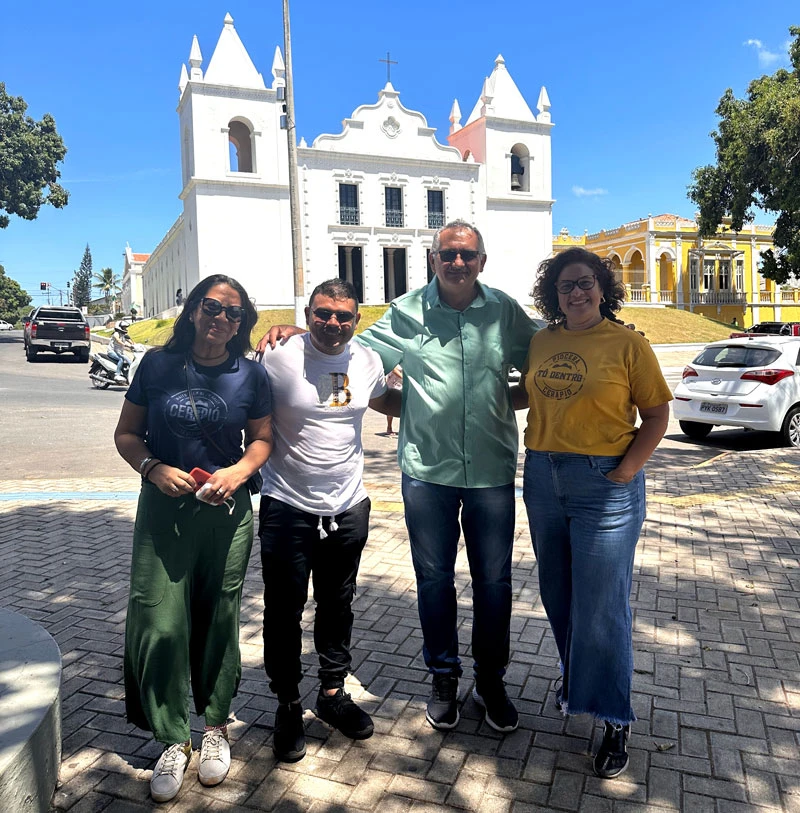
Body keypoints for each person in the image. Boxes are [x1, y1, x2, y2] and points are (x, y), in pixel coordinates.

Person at [259, 220, 537, 733]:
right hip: (427, 472)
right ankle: (444, 680)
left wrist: (511, 398)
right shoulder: (407, 311)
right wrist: (301, 334)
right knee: (434, 581)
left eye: (467, 255)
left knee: (494, 582)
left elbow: (546, 362)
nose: (457, 263)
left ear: (482, 260)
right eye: (447, 255)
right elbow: (344, 356)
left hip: (492, 469)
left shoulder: (505, 312)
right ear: (433, 259)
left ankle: (491, 683)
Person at [114, 274, 273, 803]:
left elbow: (263, 440)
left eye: (233, 313)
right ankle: (171, 737)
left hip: (225, 514)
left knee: (218, 617)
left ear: (242, 324)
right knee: (161, 620)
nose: (221, 319)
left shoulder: (250, 375)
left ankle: (215, 729)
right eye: (212, 307)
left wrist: (238, 473)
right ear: (193, 311)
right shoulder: (156, 366)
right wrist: (152, 467)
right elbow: (126, 433)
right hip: (164, 511)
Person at [520, 247, 671, 779]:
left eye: (585, 283)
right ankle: (576, 678)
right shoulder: (542, 340)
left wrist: (626, 473)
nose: (576, 293)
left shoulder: (628, 343)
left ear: (602, 287)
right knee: (558, 593)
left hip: (604, 483)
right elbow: (533, 393)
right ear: (553, 295)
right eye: (565, 287)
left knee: (602, 603)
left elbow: (656, 414)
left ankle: (613, 716)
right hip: (542, 476)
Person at [259, 279, 400, 762]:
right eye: (322, 313)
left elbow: (381, 400)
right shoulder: (276, 355)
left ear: (356, 320)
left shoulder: (367, 360)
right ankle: (288, 702)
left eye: (343, 316)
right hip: (287, 504)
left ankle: (333, 693)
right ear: (307, 311)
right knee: (283, 609)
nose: (332, 323)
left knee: (338, 606)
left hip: (347, 505)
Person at [385, 365, 403, 435]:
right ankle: (389, 427)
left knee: (403, 408)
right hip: (392, 385)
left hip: (402, 385)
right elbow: (393, 369)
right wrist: (403, 377)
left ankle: (403, 428)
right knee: (391, 407)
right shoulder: (396, 358)